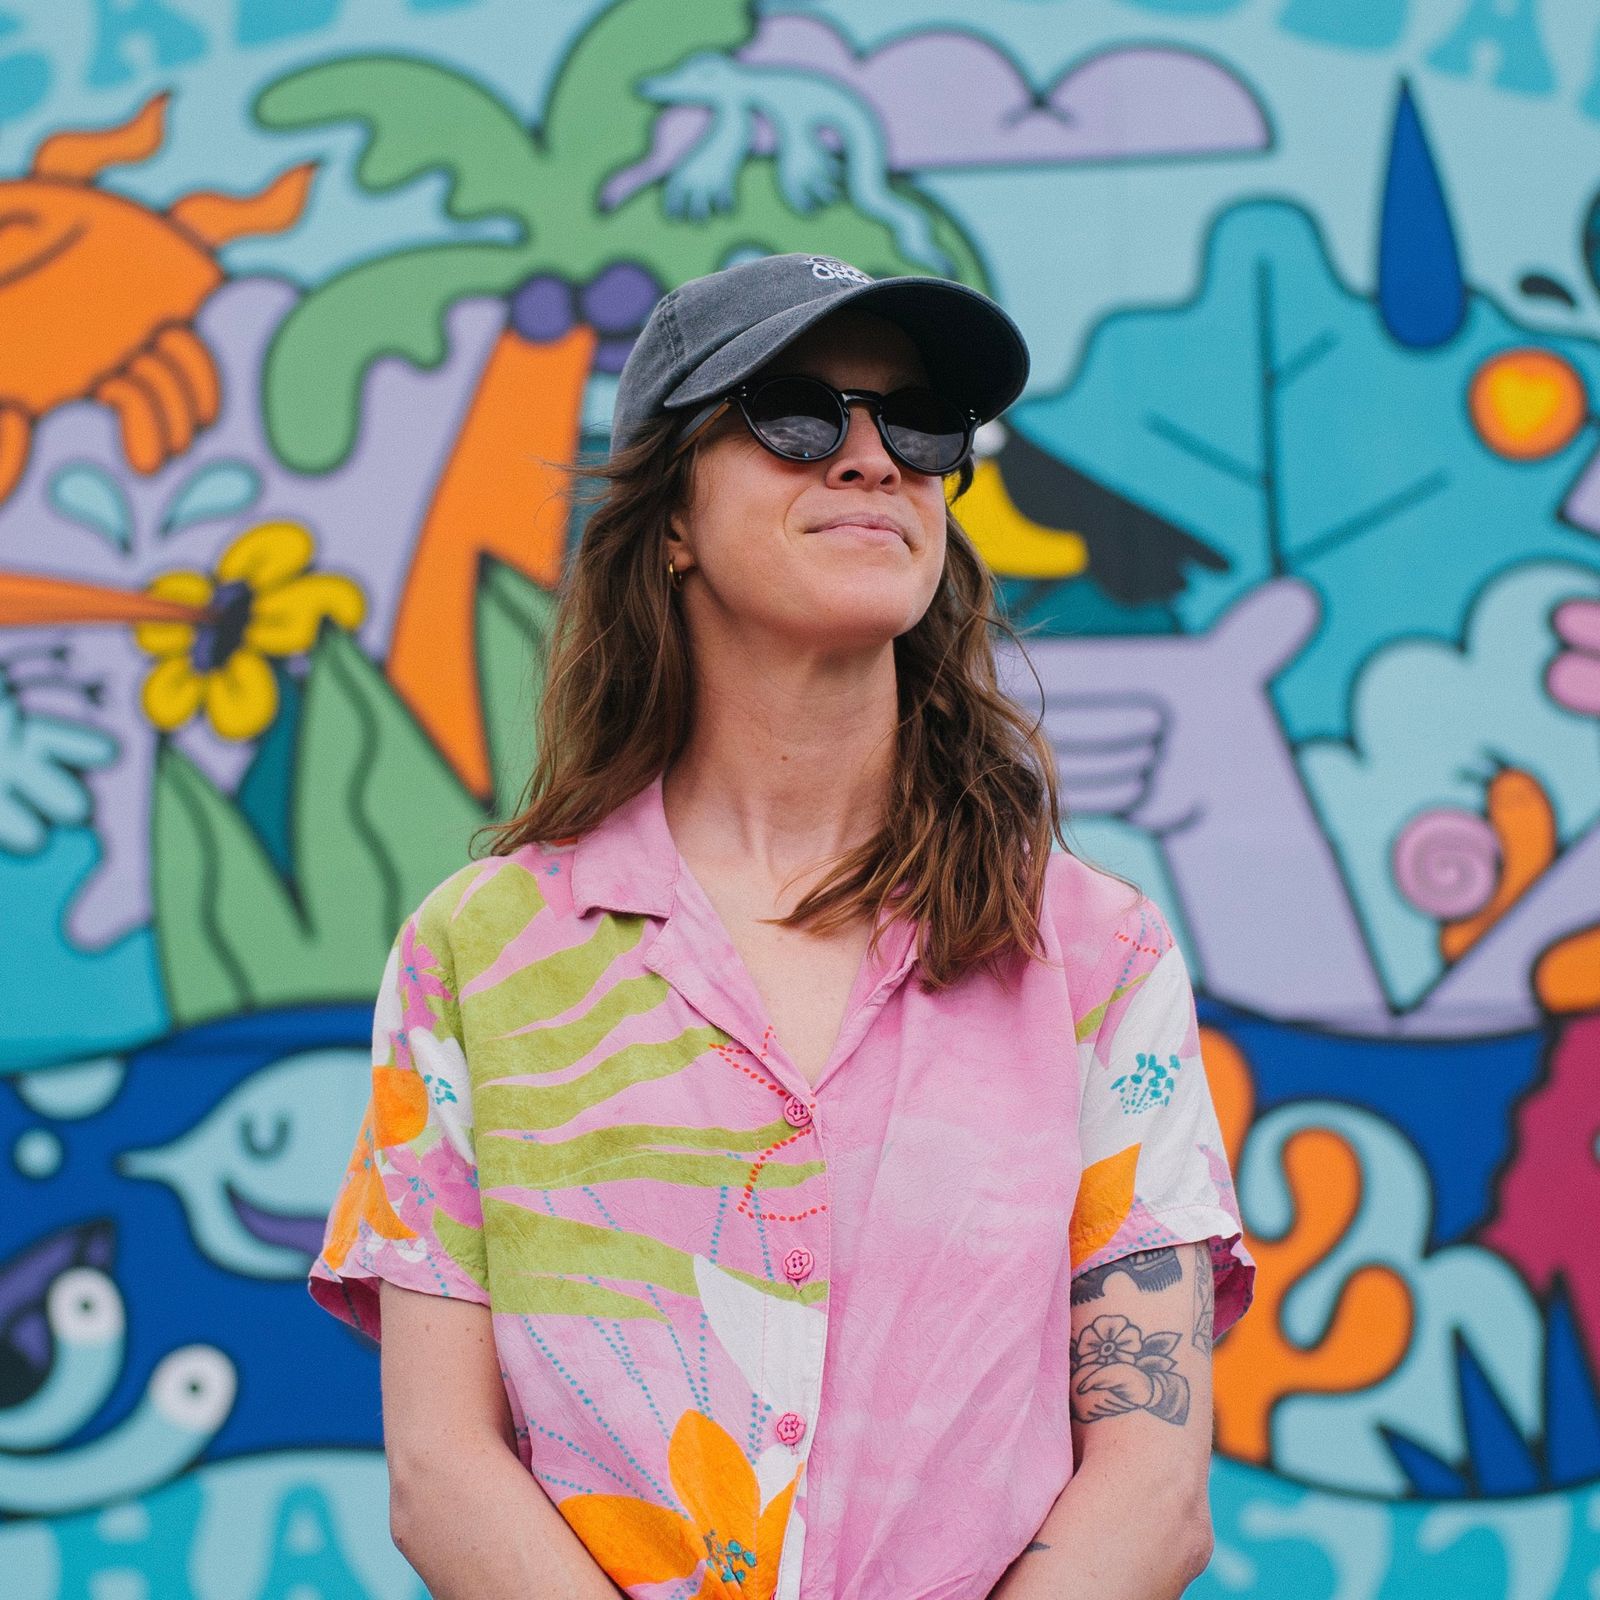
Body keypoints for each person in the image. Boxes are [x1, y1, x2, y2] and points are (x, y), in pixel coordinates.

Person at [309, 251, 1256, 1600]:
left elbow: (1153, 1490)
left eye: (920, 426)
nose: (874, 460)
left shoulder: (1096, 956)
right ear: (673, 515)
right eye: (796, 413)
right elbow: (441, 1470)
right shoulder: (481, 948)